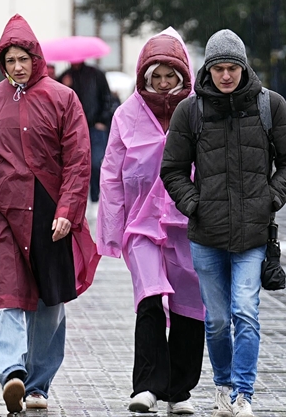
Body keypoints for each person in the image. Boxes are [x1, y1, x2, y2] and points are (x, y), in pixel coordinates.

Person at [161, 30, 286, 417]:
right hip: (206, 234)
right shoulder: (190, 111)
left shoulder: (269, 106)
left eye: (233, 68)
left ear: (244, 67)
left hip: (253, 233)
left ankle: (244, 394)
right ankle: (223, 385)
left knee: (245, 311)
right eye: (219, 69)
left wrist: (270, 198)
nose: (226, 76)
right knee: (219, 320)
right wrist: (193, 204)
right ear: (209, 70)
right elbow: (172, 168)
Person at [0, 14, 100, 413]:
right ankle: (11, 374)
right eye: (10, 60)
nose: (17, 67)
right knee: (6, 296)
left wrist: (69, 210)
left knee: (48, 301)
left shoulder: (63, 98)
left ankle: (38, 383)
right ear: (1, 64)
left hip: (49, 211)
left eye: (23, 58)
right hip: (0, 211)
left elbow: (78, 159)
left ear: (35, 58)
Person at [98, 28, 204, 415]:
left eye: (169, 77)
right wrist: (112, 228)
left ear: (182, 77)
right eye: (155, 76)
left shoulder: (198, 110)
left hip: (189, 225)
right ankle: (146, 386)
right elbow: (111, 173)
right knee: (148, 300)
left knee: (190, 306)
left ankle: (180, 390)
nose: (162, 84)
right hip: (141, 226)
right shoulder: (126, 114)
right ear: (144, 76)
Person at [60, 60, 116, 201]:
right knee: (76, 166)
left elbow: (107, 98)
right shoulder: (65, 76)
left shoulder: (96, 74)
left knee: (96, 162)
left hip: (94, 127)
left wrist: (102, 120)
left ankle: (96, 197)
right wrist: (64, 85)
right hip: (74, 129)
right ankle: (81, 198)